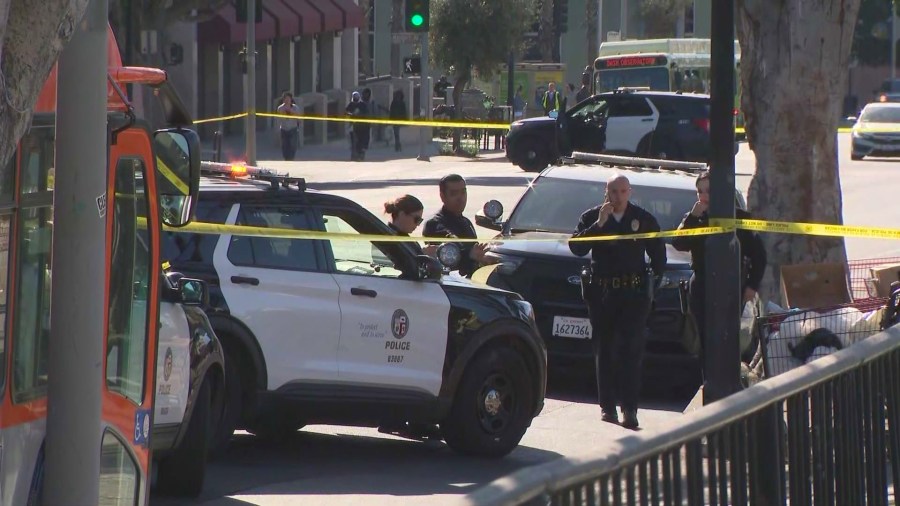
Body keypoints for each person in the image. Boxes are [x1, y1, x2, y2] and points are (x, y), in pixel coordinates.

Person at [569, 174, 667, 430]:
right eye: (614, 192)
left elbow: (658, 256)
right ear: (606, 192)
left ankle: (630, 408)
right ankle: (607, 406)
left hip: (633, 294)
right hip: (603, 293)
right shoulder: (592, 217)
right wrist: (598, 225)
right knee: (605, 349)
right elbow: (576, 247)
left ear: (629, 192)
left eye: (623, 192)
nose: (619, 197)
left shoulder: (642, 219)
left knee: (631, 350)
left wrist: (651, 289)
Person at [672, 170, 768, 370]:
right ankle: (708, 381)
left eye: (708, 190)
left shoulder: (739, 218)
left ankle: (730, 378)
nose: (703, 196)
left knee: (727, 337)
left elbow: (759, 255)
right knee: (706, 339)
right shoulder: (695, 219)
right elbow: (679, 243)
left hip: (731, 287)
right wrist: (693, 216)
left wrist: (751, 285)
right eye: (699, 191)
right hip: (702, 285)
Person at [423, 174, 490, 277]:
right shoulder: (434, 223)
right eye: (454, 193)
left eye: (463, 192)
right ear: (442, 196)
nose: (460, 198)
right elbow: (448, 240)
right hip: (449, 284)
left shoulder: (466, 222)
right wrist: (469, 254)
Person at [276, 92, 301, 161]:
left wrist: (292, 112)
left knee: (293, 145)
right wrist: (278, 128)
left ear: (291, 99)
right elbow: (278, 119)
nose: (287, 100)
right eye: (285, 99)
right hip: (284, 129)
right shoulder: (280, 108)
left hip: (293, 128)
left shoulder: (295, 108)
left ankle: (291, 158)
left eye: (288, 99)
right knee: (284, 145)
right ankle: (286, 158)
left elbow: (299, 119)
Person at [345, 91, 368, 161]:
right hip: (353, 125)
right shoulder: (351, 104)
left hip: (361, 126)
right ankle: (354, 155)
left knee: (360, 140)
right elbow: (346, 111)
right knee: (353, 141)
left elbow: (366, 113)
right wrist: (351, 114)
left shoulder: (362, 105)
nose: (355, 98)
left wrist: (359, 114)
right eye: (354, 97)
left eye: (357, 96)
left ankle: (361, 155)